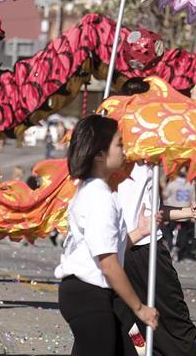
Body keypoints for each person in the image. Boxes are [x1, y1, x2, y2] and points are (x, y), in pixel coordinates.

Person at [113, 75, 196, 356]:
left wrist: (187, 212)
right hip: (123, 251)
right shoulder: (113, 157)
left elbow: (151, 212)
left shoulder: (151, 158)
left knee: (173, 321)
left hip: (147, 250)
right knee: (127, 325)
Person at [55, 114, 159, 355]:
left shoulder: (98, 191)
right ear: (100, 154)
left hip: (101, 297)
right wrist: (140, 308)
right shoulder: (98, 197)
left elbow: (112, 248)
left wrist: (141, 230)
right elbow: (108, 264)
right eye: (119, 144)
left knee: (133, 350)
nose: (125, 150)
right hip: (88, 295)